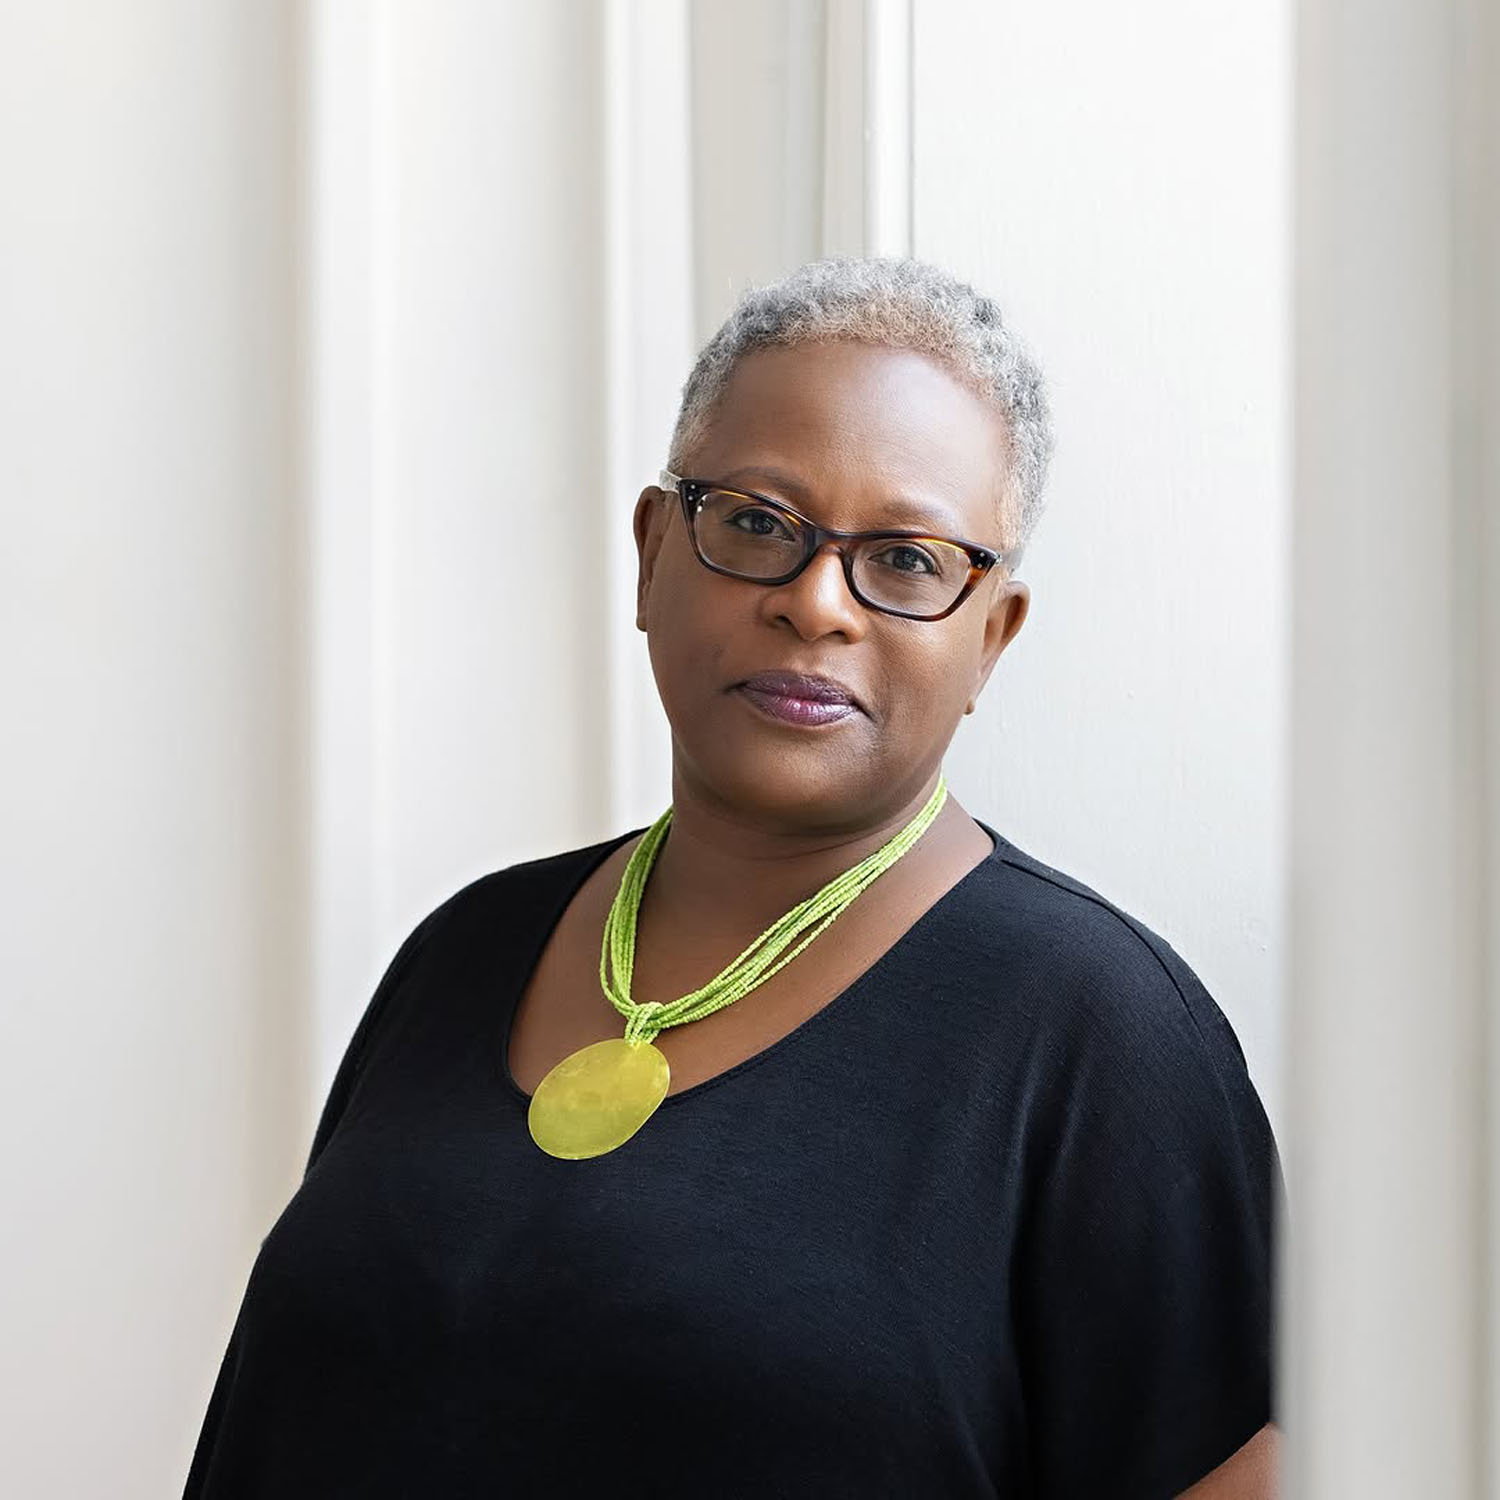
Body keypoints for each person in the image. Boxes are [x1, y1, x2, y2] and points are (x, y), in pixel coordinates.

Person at [183, 256, 1281, 1498]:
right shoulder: (467, 950)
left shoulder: (1103, 1037)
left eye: (908, 561)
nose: (817, 603)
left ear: (993, 633)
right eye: (757, 524)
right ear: (655, 553)